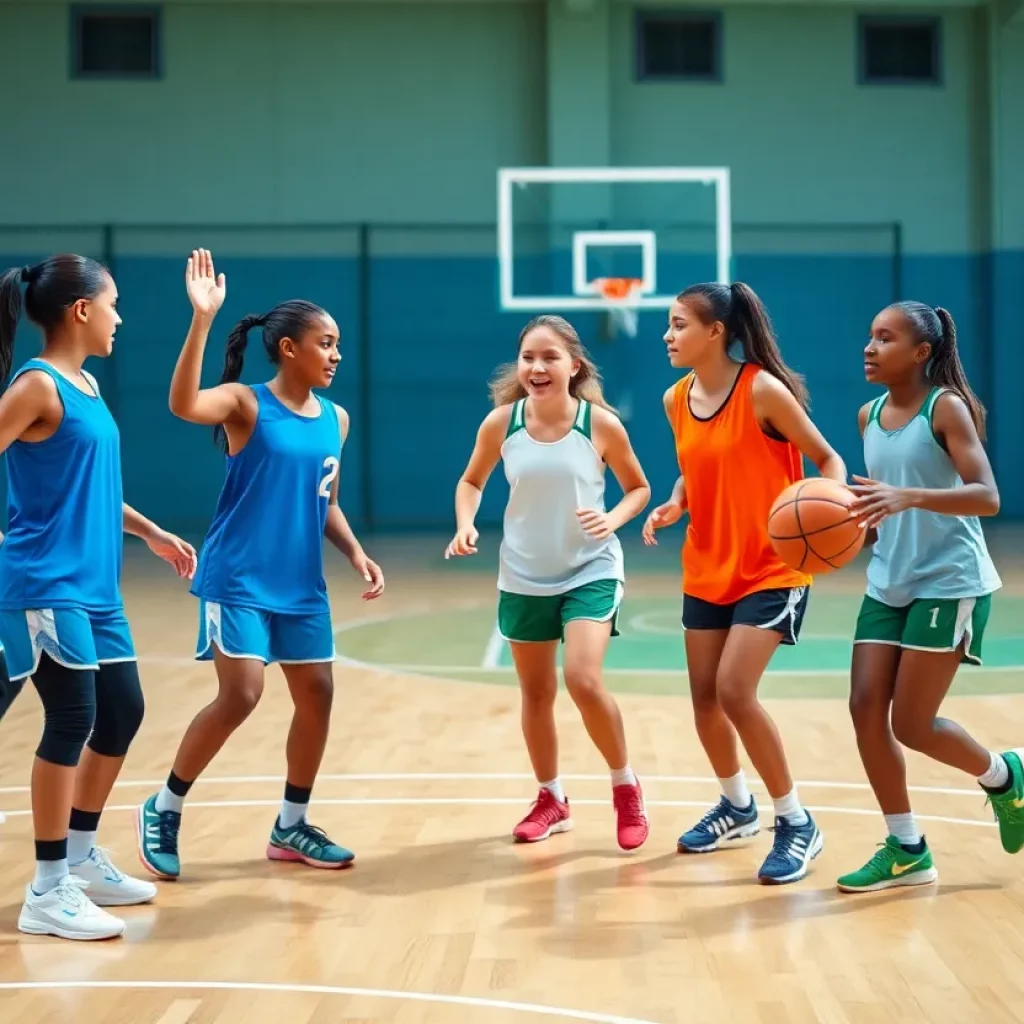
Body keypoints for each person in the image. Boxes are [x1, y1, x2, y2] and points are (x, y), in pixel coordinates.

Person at [137, 250, 384, 880]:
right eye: (324, 343)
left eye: (338, 345)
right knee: (242, 693)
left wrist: (355, 553)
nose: (335, 355)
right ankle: (163, 806)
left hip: (301, 584)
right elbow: (182, 404)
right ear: (287, 349)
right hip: (239, 577)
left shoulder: (337, 418)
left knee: (319, 695)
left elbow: (323, 500)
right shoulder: (246, 405)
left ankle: (291, 825)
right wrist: (201, 320)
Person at [0, 256, 196, 940]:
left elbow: (94, 487)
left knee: (122, 711)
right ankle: (47, 888)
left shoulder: (85, 384)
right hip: (45, 584)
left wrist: (151, 532)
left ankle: (80, 859)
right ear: (81, 310)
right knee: (71, 720)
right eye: (112, 305)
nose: (120, 317)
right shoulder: (37, 385)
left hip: (95, 589)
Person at [644, 281, 847, 884]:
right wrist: (677, 500)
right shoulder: (674, 399)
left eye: (679, 324)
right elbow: (694, 466)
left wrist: (827, 506)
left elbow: (828, 459)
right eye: (669, 324)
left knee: (735, 691)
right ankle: (738, 808)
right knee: (705, 700)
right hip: (708, 564)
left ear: (716, 332)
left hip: (772, 566)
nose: (668, 334)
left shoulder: (762, 388)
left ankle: (796, 821)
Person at [446, 314, 651, 850]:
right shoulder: (501, 424)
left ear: (574, 365)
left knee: (582, 679)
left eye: (550, 357)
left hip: (590, 567)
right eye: (528, 357)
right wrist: (466, 523)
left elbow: (638, 488)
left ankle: (626, 788)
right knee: (536, 692)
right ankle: (551, 798)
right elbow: (471, 480)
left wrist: (614, 519)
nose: (537, 367)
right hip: (523, 572)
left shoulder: (600, 424)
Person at [837, 301, 1019, 892]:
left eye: (885, 338)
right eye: (869, 335)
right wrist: (853, 527)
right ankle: (907, 846)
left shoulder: (947, 408)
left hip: (950, 580)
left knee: (911, 725)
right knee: (866, 707)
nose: (870, 347)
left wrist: (908, 497)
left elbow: (986, 496)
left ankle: (1003, 776)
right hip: (890, 578)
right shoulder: (869, 415)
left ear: (921, 353)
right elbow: (881, 502)